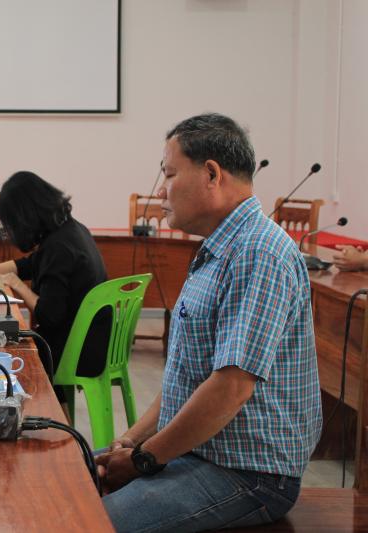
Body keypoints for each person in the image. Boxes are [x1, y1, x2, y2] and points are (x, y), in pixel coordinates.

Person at [96, 113, 322, 532]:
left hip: (249, 474)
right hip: (199, 452)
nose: (161, 190)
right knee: (68, 477)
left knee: (88, 521)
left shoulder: (257, 252)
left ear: (212, 174)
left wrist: (144, 459)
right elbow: (187, 379)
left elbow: (230, 388)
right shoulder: (220, 248)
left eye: (169, 174)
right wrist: (131, 440)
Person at [0, 171, 110, 409]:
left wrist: (17, 285)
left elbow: (49, 315)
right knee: (9, 339)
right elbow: (28, 265)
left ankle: (42, 415)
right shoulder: (70, 230)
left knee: (9, 353)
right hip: (90, 341)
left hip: (76, 350)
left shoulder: (59, 247)